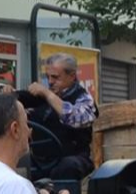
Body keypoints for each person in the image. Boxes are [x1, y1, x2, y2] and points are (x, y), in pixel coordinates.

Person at [23, 53, 98, 181]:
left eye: (55, 77)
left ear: (72, 76)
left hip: (73, 158)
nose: (50, 82)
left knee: (66, 167)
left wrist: (47, 94)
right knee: (17, 163)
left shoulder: (83, 98)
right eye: (48, 77)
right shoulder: (40, 99)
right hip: (41, 160)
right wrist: (10, 96)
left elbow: (76, 118)